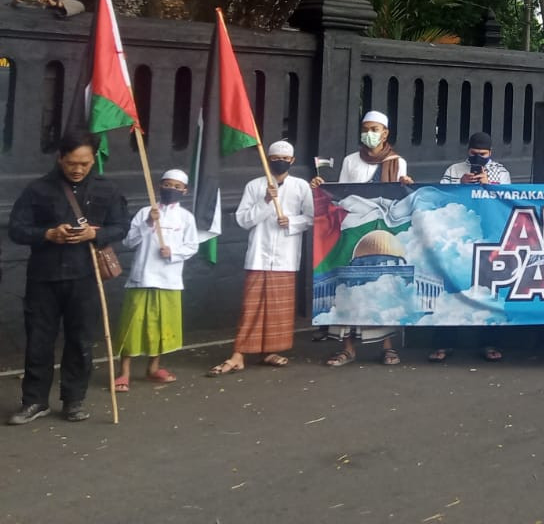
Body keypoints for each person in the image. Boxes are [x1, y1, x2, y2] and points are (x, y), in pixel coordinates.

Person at [7, 130, 129, 425]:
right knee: (39, 340)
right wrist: (47, 234)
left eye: (84, 164)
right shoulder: (38, 189)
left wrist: (94, 233)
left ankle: (74, 400)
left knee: (81, 341)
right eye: (71, 162)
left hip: (86, 277)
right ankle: (35, 401)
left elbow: (122, 226)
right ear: (60, 157)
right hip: (43, 277)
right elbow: (16, 229)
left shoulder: (107, 190)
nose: (77, 169)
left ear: (93, 160)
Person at [207, 141, 314, 376]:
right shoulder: (255, 186)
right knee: (252, 306)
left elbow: (311, 217)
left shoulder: (301, 187)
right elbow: (243, 220)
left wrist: (292, 222)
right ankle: (239, 354)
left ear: (292, 161)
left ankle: (268, 351)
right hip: (259, 255)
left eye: (284, 158)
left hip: (285, 255)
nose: (279, 162)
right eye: (274, 158)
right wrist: (265, 202)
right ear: (267, 159)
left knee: (278, 308)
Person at [316, 111, 413, 367]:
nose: (369, 133)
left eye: (374, 128)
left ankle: (387, 347)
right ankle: (347, 348)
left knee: (383, 288)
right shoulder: (351, 161)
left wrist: (406, 185)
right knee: (347, 288)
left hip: (381, 228)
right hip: (352, 229)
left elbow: (397, 197)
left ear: (385, 133)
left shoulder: (396, 161)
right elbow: (342, 195)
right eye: (365, 128)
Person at [114, 169, 199, 391]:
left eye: (176, 187)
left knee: (162, 326)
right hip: (142, 278)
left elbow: (192, 247)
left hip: (169, 279)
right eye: (167, 185)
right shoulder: (145, 212)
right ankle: (124, 372)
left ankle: (154, 367)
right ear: (159, 187)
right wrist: (148, 225)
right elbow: (128, 242)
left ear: (184, 191)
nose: (171, 190)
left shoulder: (186, 218)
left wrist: (173, 252)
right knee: (132, 325)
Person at [431, 132, 510, 363]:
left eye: (483, 155)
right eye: (475, 154)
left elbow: (507, 200)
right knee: (452, 287)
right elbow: (440, 197)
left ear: (490, 153)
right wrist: (461, 185)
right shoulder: (454, 171)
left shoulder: (501, 172)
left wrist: (489, 185)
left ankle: (490, 343)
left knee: (489, 291)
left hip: (488, 235)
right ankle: (443, 344)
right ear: (468, 151)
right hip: (458, 235)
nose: (478, 159)